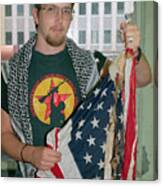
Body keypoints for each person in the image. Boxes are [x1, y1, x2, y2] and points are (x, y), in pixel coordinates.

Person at [1, 3, 151, 177]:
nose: (60, 18)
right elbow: (3, 133)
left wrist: (135, 52)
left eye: (66, 10)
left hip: (82, 173)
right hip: (33, 176)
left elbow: (143, 79)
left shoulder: (92, 64)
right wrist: (30, 154)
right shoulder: (11, 72)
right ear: (36, 15)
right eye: (51, 9)